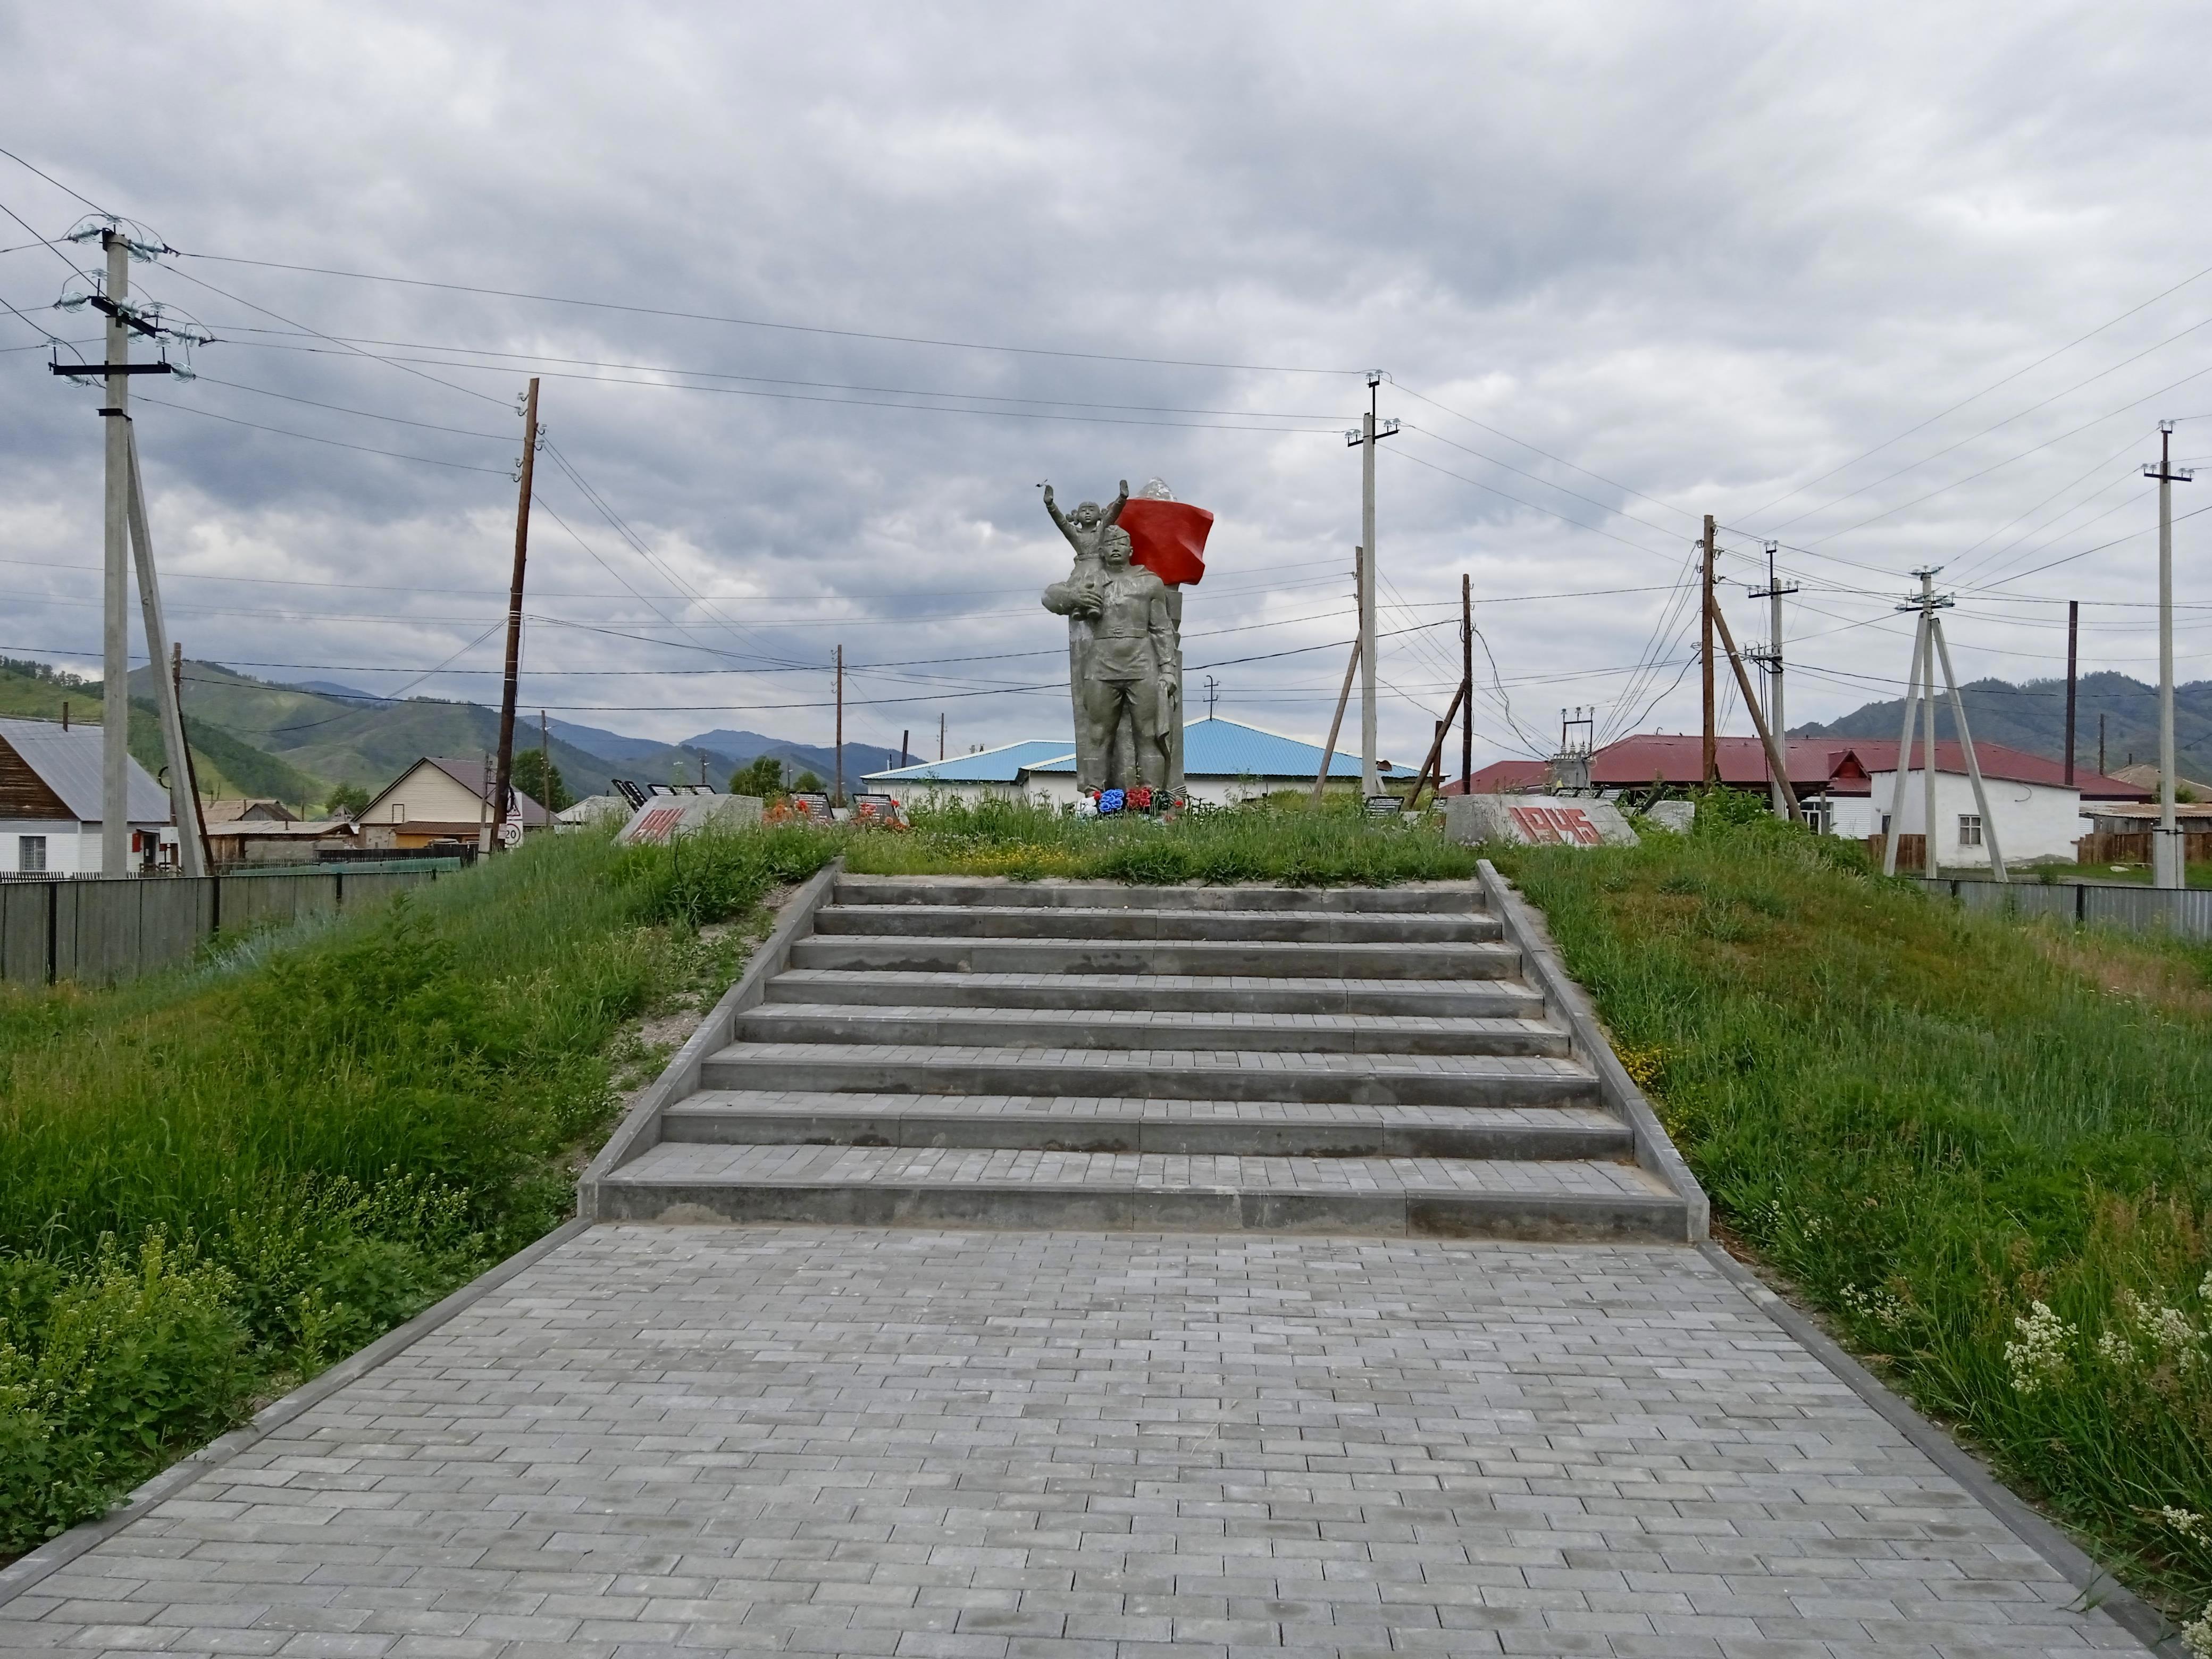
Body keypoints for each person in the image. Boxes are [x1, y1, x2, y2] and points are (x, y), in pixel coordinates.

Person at [1062, 525, 1175, 792]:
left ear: (1130, 550)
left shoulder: (1150, 582)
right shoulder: (1091, 579)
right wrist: (1074, 596)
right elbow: (1050, 596)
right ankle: (1094, 799)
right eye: (1110, 544)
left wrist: (1168, 668)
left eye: (1121, 543)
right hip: (1102, 662)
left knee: (1148, 734)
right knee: (1098, 734)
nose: (1115, 547)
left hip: (1142, 662)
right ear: (1101, 550)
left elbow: (1161, 628)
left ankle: (1151, 800)